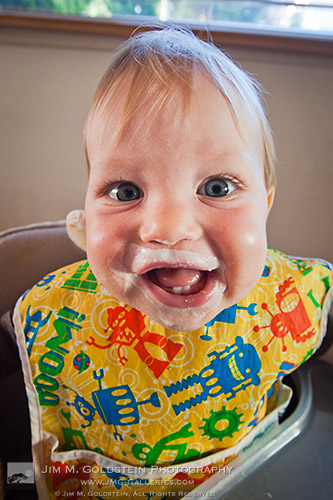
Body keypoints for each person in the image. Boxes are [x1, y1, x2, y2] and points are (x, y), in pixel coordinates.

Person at [2, 28, 332, 499]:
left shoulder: (283, 299)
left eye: (217, 187)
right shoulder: (56, 310)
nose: (168, 228)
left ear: (267, 203)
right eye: (125, 192)